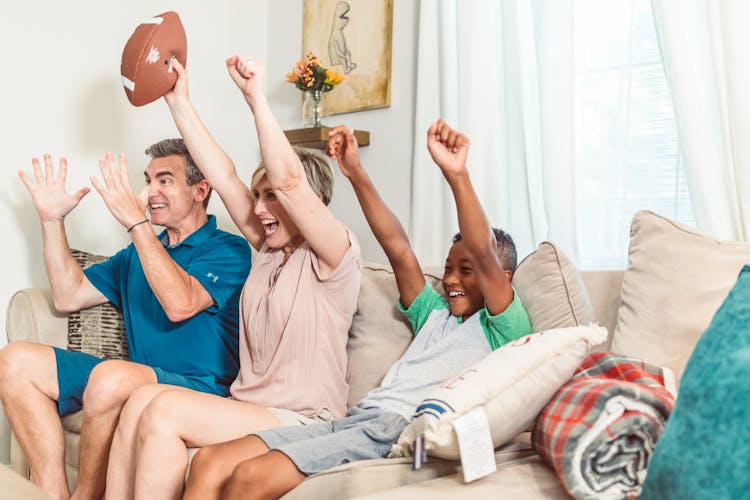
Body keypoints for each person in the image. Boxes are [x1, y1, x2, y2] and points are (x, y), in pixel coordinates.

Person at [182, 120, 533, 499]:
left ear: (503, 279)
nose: (450, 280)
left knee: (251, 476)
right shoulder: (434, 313)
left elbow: (482, 250)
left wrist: (456, 176)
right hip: (359, 418)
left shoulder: (503, 325)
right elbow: (396, 246)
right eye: (449, 269)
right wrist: (355, 172)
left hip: (401, 429)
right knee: (210, 462)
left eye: (467, 272)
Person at [103, 57, 362, 500]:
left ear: (310, 204)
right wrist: (177, 100)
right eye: (257, 197)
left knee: (163, 408)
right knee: (142, 400)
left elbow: (291, 181)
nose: (259, 209)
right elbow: (221, 174)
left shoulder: (335, 255)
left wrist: (256, 98)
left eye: (272, 198)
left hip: (305, 418)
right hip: (246, 409)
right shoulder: (266, 250)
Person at [0, 139, 251, 500]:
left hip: (201, 390)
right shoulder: (139, 252)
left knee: (111, 376)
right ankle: (50, 490)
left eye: (165, 180)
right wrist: (51, 221)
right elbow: (68, 295)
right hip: (133, 382)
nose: (150, 193)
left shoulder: (229, 249)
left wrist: (137, 225)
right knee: (14, 361)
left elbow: (179, 303)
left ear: (200, 189)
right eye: (148, 181)